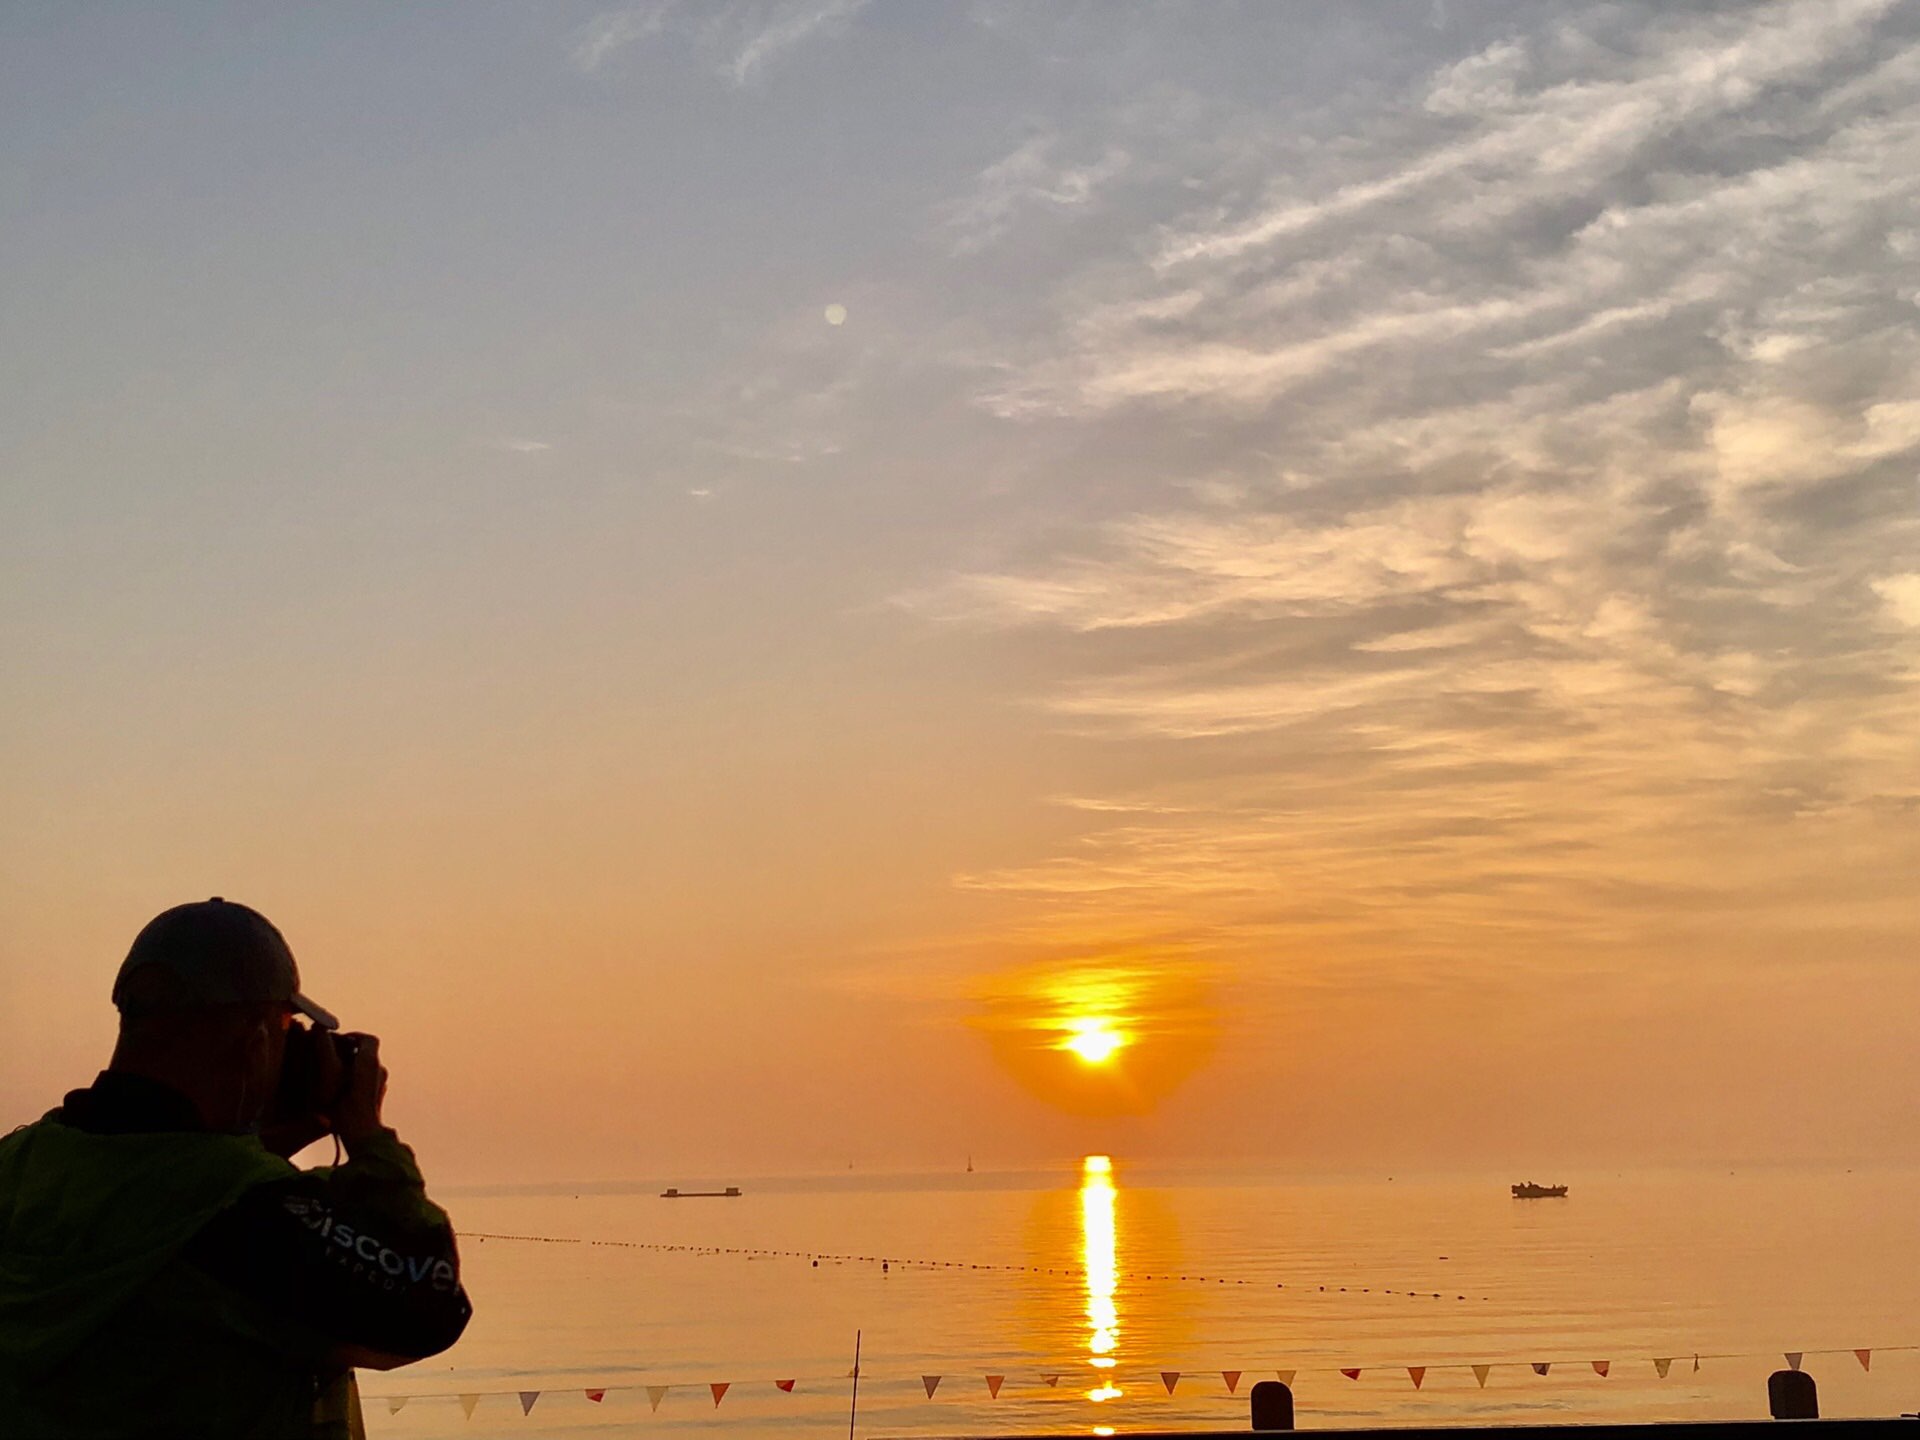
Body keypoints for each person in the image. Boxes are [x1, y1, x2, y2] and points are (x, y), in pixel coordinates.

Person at [0, 898, 472, 1438]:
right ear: (256, 1043)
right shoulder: (242, 1214)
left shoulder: (19, 1165)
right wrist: (367, 1136)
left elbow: (150, 1186)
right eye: (287, 1029)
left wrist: (270, 1141)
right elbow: (427, 1305)